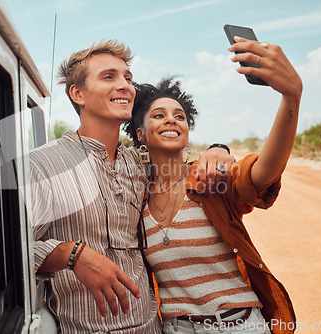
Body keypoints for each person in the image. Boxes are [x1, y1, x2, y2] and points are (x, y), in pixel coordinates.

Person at [30, 39, 234, 333]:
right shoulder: (43, 165)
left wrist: (219, 149)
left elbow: (181, 162)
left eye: (128, 77)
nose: (125, 85)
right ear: (78, 94)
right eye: (109, 77)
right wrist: (71, 254)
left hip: (152, 327)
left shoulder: (140, 166)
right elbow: (3, 252)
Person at [124, 36, 301, 334]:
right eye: (159, 115)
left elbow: (265, 171)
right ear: (140, 134)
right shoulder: (135, 196)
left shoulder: (210, 179)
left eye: (179, 116)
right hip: (175, 329)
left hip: (239, 326)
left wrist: (291, 97)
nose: (171, 120)